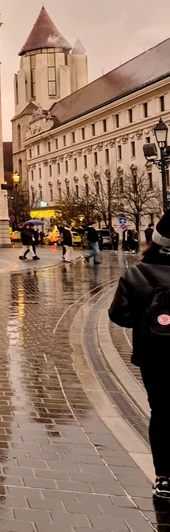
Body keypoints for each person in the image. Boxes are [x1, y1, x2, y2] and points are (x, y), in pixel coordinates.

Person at [109, 210, 170, 498]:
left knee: (161, 412)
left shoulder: (138, 273)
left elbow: (119, 315)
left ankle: (165, 477)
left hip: (154, 356)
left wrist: (148, 320)